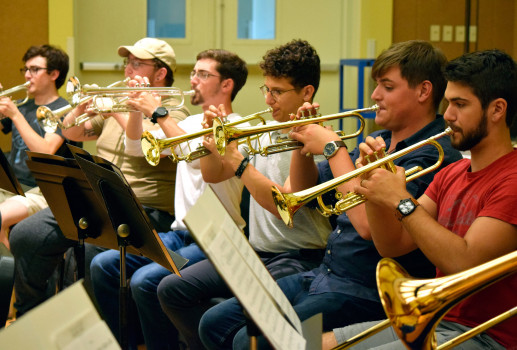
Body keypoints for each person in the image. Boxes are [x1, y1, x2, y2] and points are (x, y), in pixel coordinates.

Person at [199, 40, 464, 350]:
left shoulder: (433, 153)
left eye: (387, 87)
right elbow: (300, 193)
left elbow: (367, 227)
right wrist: (302, 139)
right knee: (214, 323)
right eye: (376, 85)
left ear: (423, 91)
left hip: (367, 292)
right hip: (325, 274)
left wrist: (333, 147)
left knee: (251, 342)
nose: (374, 95)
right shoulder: (377, 138)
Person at [325, 49, 517, 349]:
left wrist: (401, 200)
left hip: (489, 336)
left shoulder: (512, 180)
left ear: (497, 110)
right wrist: (374, 187)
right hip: (438, 319)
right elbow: (393, 245)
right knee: (316, 343)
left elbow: (464, 261)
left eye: (460, 104)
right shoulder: (451, 173)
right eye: (448, 103)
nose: (449, 115)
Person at [157, 39, 333, 350]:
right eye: (265, 89)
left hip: (298, 257)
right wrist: (213, 140)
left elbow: (285, 206)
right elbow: (213, 173)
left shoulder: (317, 139)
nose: (268, 99)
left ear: (306, 92)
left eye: (277, 92)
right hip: (255, 251)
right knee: (171, 289)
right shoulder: (263, 129)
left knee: (217, 323)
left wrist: (240, 163)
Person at [8, 38, 190, 318]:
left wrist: (120, 112)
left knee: (92, 249)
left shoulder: (175, 114)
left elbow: (144, 148)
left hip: (143, 210)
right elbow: (72, 134)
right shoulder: (118, 102)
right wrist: (79, 110)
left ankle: (91, 329)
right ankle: (32, 315)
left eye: (137, 63)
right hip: (96, 199)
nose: (128, 69)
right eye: (127, 62)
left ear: (160, 72)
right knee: (26, 234)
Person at [89, 48, 249, 350]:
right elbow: (137, 149)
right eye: (194, 73)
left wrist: (159, 113)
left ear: (227, 85)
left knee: (144, 281)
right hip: (180, 234)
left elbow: (194, 152)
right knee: (104, 264)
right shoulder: (189, 123)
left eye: (203, 74)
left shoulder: (240, 126)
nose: (194, 80)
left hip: (218, 240)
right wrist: (137, 108)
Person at [0, 44, 73, 249]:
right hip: (12, 186)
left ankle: (6, 279)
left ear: (54, 74)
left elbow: (45, 151)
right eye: (26, 69)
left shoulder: (62, 110)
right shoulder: (22, 105)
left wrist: (14, 115)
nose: (27, 75)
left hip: (43, 191)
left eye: (35, 70)